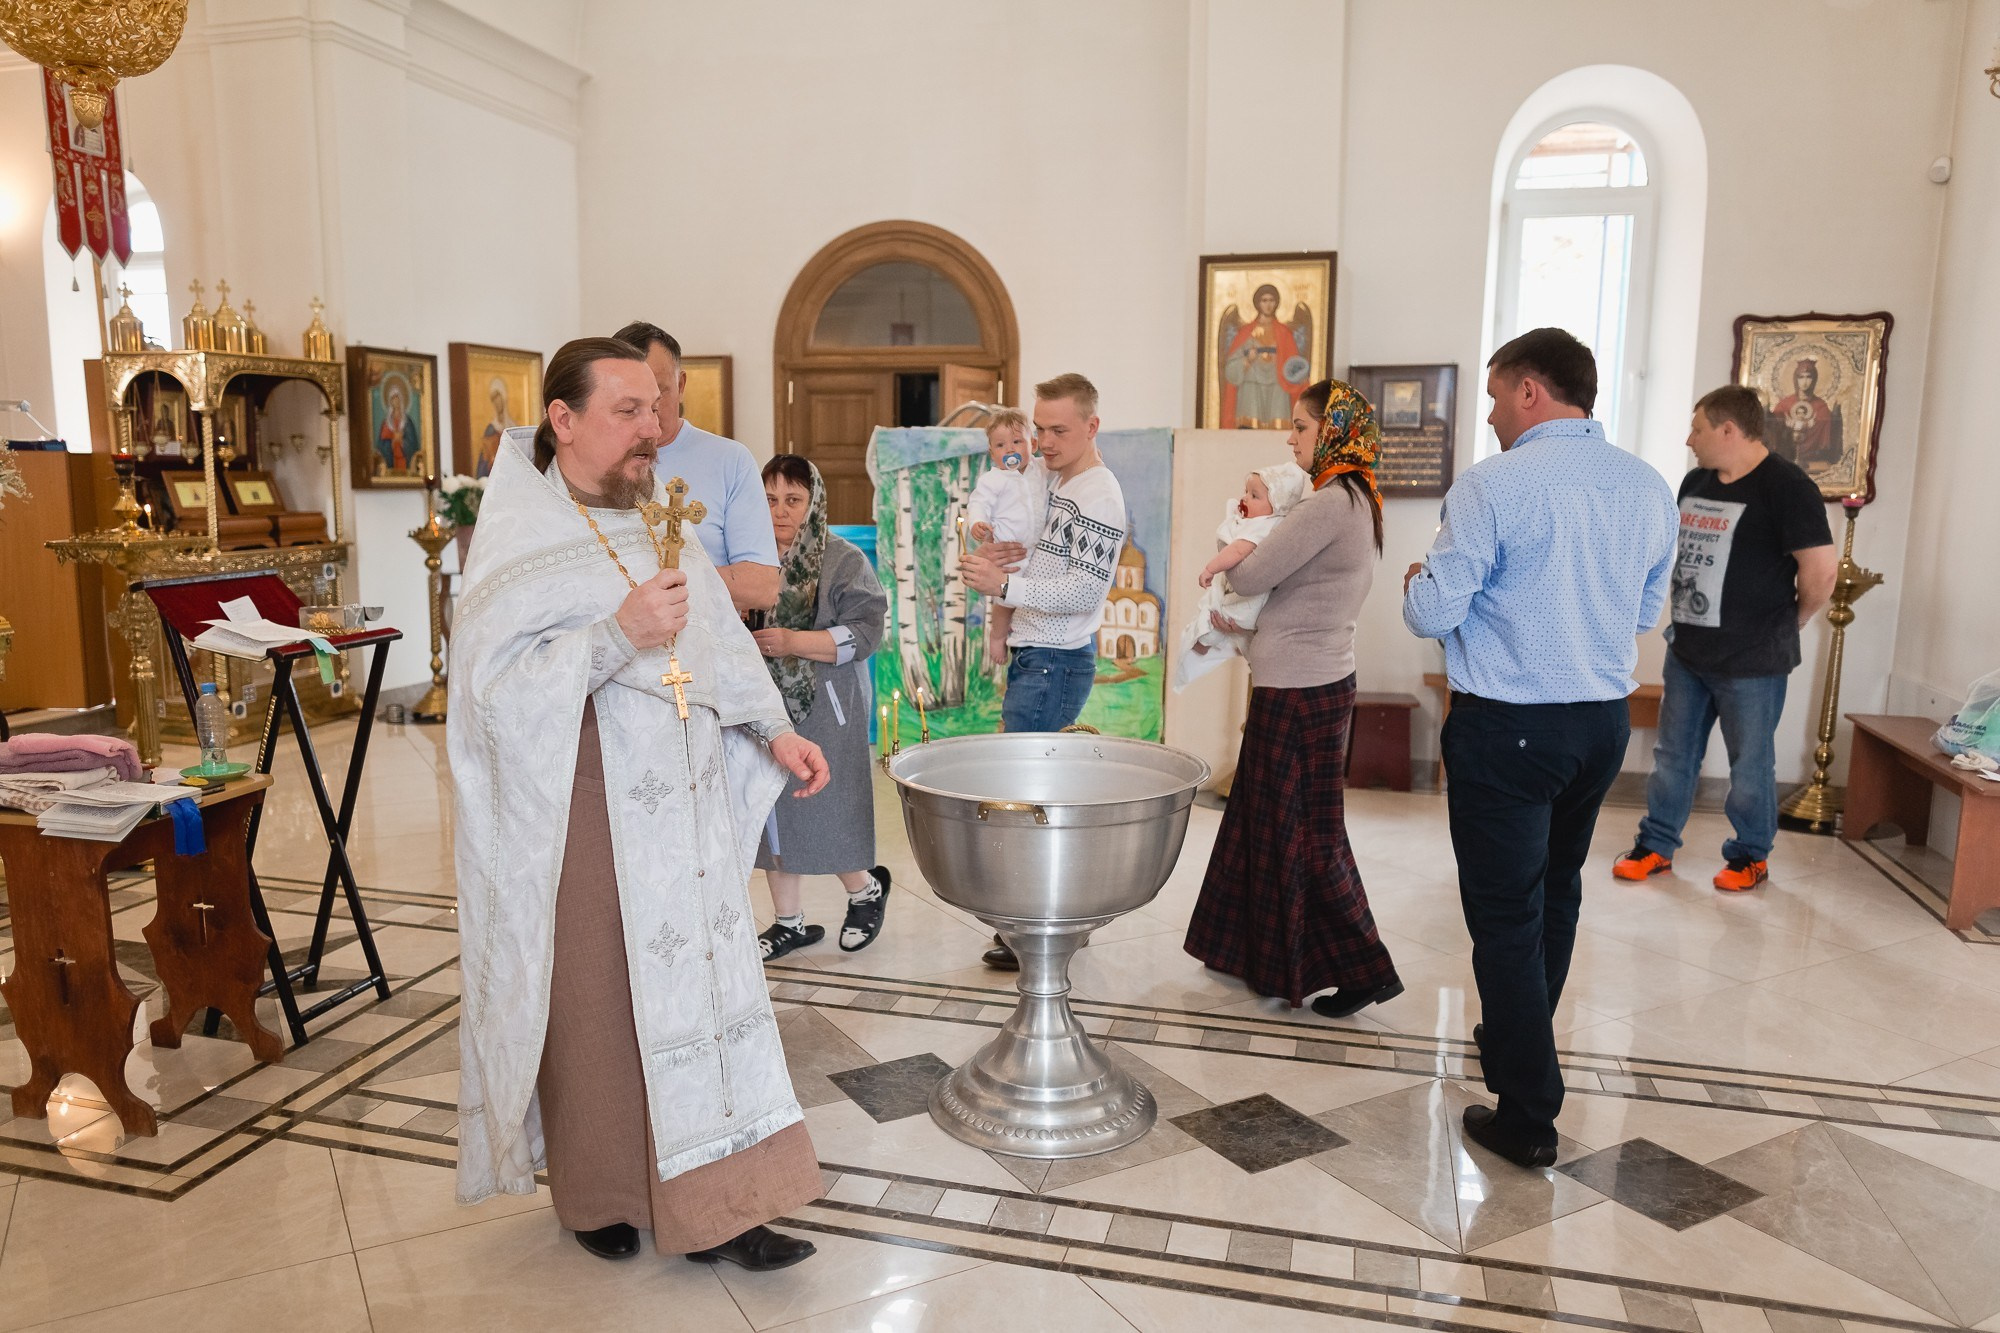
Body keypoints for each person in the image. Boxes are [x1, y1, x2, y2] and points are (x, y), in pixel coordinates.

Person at [449, 337, 830, 1271]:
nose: (651, 429)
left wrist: (772, 727)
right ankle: (601, 1192)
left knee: (704, 992)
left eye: (653, 409)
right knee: (596, 999)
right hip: (578, 803)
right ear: (564, 420)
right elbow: (490, 694)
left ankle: (726, 1207)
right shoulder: (517, 534)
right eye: (627, 411)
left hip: (683, 811)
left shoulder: (659, 512)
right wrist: (614, 635)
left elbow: (713, 636)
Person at [1404, 327, 1677, 1169]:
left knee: (1504, 916)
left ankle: (1526, 1111)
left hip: (1510, 724)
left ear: (1531, 391)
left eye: (1493, 396)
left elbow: (1431, 614)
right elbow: (1642, 615)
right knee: (1554, 892)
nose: (1488, 416)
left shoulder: (1494, 485)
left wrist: (1421, 579)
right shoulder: (1647, 485)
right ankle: (1517, 1033)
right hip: (1600, 724)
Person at [1182, 381, 1401, 1014]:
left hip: (1301, 688)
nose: (1290, 436)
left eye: (1302, 426)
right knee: (1258, 819)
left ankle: (1364, 966)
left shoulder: (1331, 503)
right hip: (1304, 680)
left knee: (1305, 833)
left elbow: (1248, 573)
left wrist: (1241, 540)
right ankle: (1242, 949)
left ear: (1333, 433)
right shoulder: (1353, 498)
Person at [1616, 386, 1836, 892]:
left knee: (1750, 763)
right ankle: (1656, 846)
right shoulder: (1695, 481)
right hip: (1689, 650)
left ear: (1728, 430)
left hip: (1754, 658)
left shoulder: (1787, 487)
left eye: (1697, 428)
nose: (1689, 439)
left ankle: (1749, 856)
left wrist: (1794, 620)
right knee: (1673, 754)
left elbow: (1820, 572)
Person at [961, 373, 1127, 970]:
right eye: (1040, 429)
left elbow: (1083, 591)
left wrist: (1003, 583)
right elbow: (1016, 531)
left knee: (1023, 798)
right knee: (1027, 793)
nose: (1046, 442)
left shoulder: (1097, 494)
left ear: (1091, 426)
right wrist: (996, 548)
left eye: (1059, 430)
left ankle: (1040, 927)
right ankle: (1036, 923)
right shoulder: (1057, 480)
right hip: (1038, 654)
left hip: (1056, 660)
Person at [751, 454, 894, 959]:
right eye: (770, 499)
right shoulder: (746, 559)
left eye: (793, 500)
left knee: (825, 805)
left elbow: (866, 632)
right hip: (762, 705)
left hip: (826, 704)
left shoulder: (843, 558)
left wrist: (794, 640)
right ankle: (788, 922)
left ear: (814, 504)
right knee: (769, 808)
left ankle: (864, 890)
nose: (780, 511)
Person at [614, 321, 781, 617]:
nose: (648, 410)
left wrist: (666, 585)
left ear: (680, 386)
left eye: (658, 392)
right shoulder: (596, 462)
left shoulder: (730, 461)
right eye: (631, 400)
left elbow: (762, 586)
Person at [1172, 461, 1310, 691]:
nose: (1244, 498)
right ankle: (1209, 641)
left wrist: (1210, 569)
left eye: (1254, 495)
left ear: (1276, 505)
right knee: (1214, 610)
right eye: (1246, 491)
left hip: (1249, 603)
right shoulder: (1265, 523)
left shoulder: (1265, 526)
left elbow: (1237, 550)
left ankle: (1205, 641)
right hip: (1245, 599)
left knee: (1215, 612)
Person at [965, 407, 1046, 673]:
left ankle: (1025, 631)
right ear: (992, 453)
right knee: (1006, 597)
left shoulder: (1040, 469)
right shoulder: (994, 479)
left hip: (1039, 548)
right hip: (1010, 550)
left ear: (1032, 444)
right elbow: (979, 502)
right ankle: (998, 635)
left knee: (1034, 595)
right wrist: (977, 522)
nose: (1009, 449)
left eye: (1016, 442)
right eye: (1000, 445)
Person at [1221, 284, 1309, 429]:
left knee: (1279, 428)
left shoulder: (1284, 332)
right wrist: (1247, 360)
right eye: (1264, 300)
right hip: (1251, 383)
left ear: (1277, 303)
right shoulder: (1246, 332)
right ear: (1257, 303)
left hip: (1278, 384)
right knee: (1249, 427)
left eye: (1271, 300)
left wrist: (1300, 376)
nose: (1268, 304)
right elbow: (1230, 370)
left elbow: (1293, 364)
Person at [1769, 358, 1844, 469]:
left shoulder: (1821, 406)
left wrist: (1837, 410)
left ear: (1814, 380)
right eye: (1801, 377)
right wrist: (1765, 409)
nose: (1804, 382)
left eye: (1809, 377)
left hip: (1815, 459)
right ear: (1796, 379)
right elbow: (1773, 426)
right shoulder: (1784, 404)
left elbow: (1830, 429)